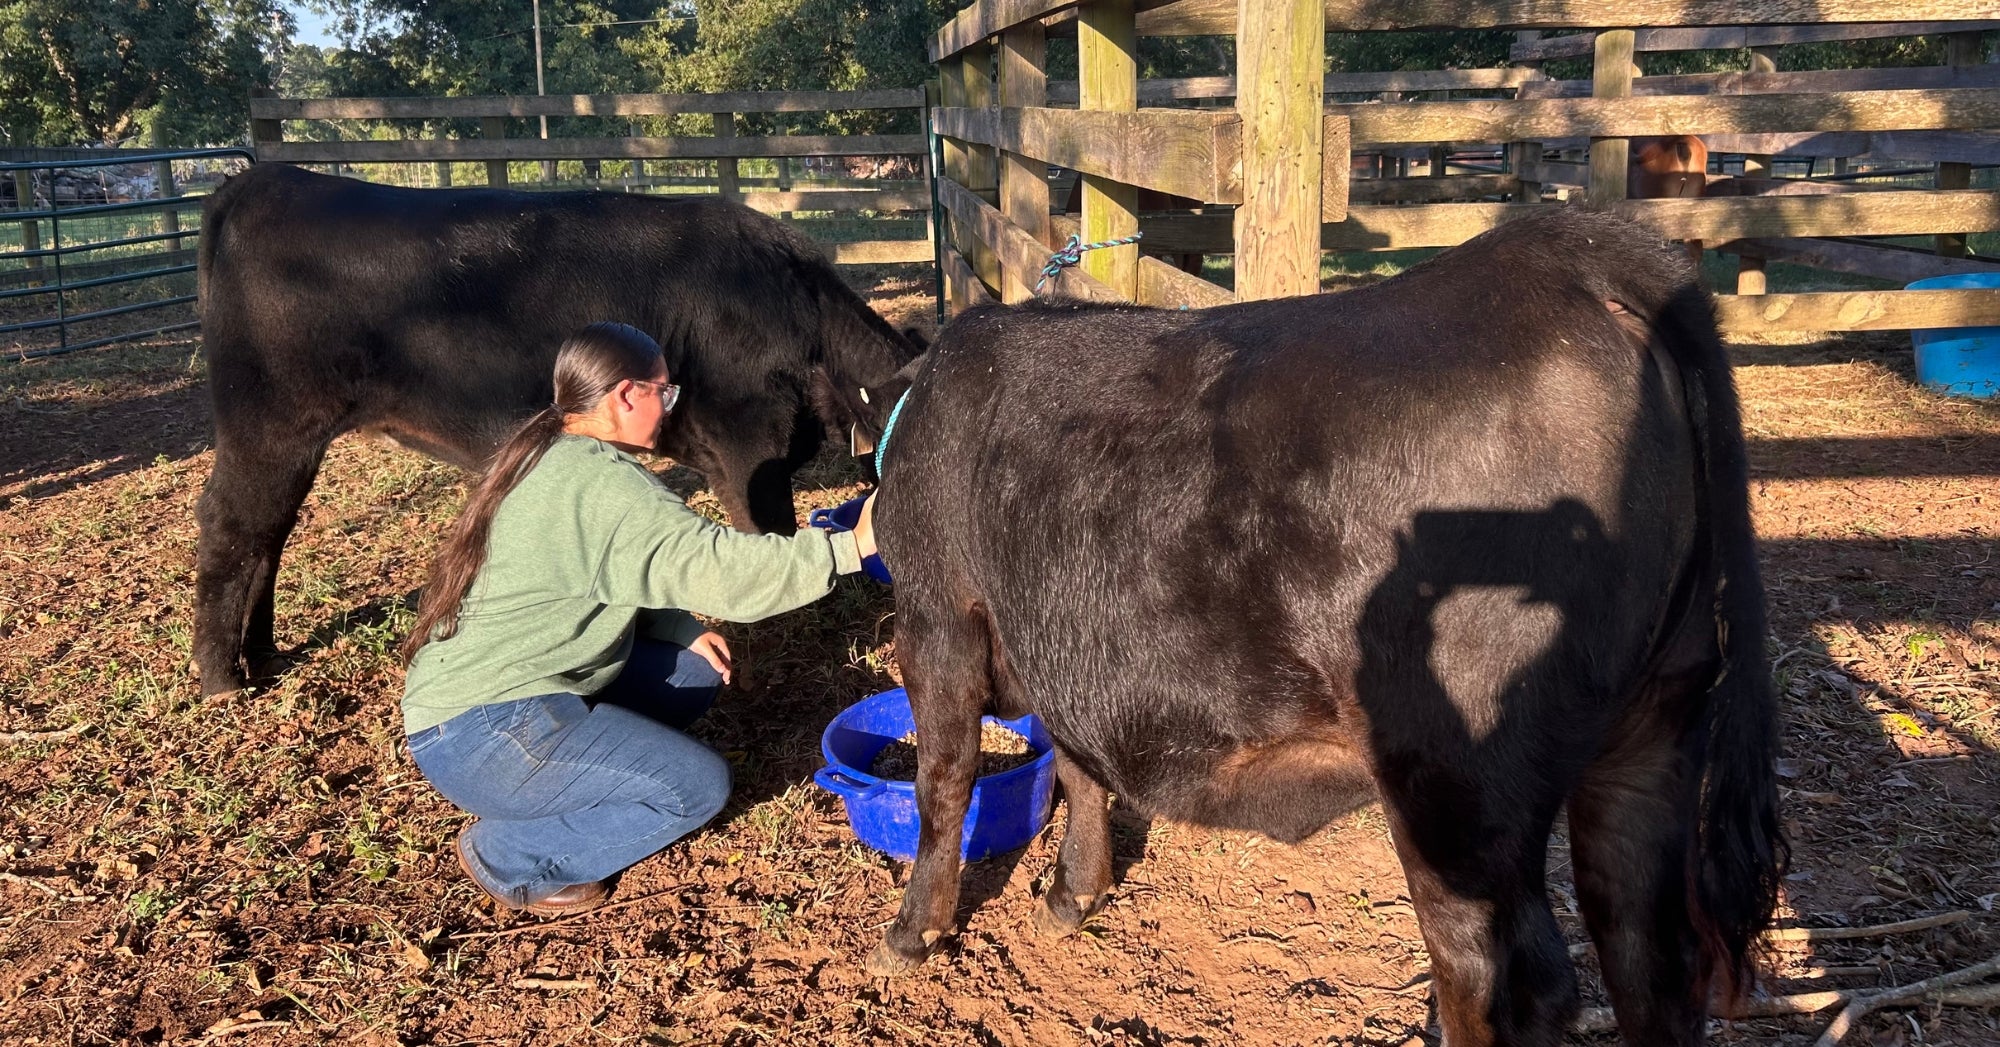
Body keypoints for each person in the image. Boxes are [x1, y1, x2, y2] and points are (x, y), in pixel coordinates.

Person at [399, 321, 875, 917]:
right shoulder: (604, 487)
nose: (669, 410)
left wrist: (679, 626)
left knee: (692, 672)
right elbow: (725, 572)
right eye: (664, 394)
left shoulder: (554, 454)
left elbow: (606, 569)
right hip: (484, 732)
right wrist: (850, 545)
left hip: (492, 705)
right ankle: (509, 852)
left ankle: (579, 771)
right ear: (627, 396)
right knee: (694, 788)